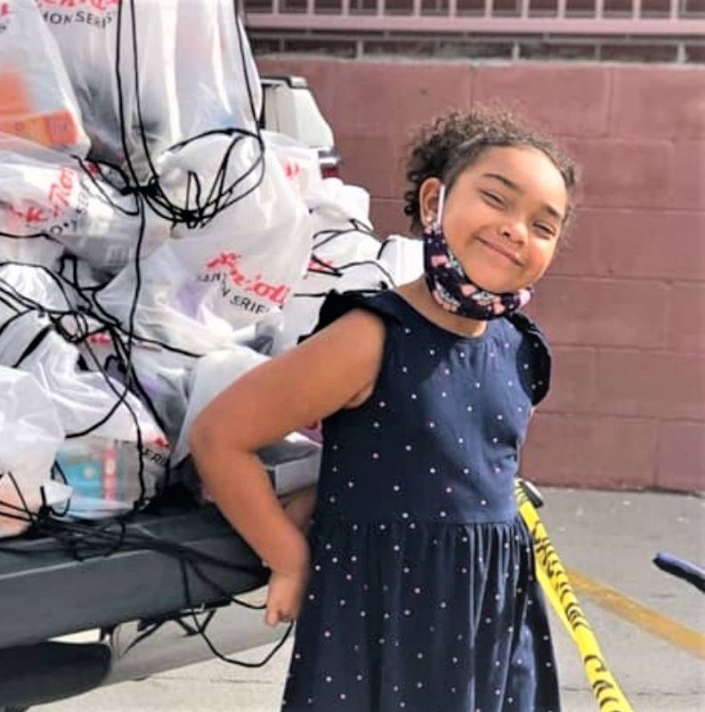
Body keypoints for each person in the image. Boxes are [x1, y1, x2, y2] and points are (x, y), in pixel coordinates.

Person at [189, 108, 579, 711]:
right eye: (496, 200)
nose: (516, 230)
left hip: (490, 617)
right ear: (433, 202)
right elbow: (221, 437)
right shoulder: (372, 336)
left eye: (543, 226)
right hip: (384, 618)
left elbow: (427, 456)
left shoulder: (519, 349)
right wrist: (288, 560)